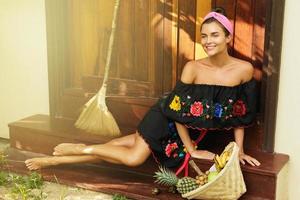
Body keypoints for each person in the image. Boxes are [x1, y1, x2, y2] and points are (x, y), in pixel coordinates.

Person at [25, 9, 260, 171]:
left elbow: (240, 113)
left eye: (215, 35)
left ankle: (54, 162)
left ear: (228, 37)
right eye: (204, 36)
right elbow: (176, 112)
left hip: (189, 131)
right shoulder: (193, 68)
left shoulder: (243, 70)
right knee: (134, 158)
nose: (208, 41)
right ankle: (81, 147)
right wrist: (193, 151)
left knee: (117, 148)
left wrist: (239, 151)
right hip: (165, 119)